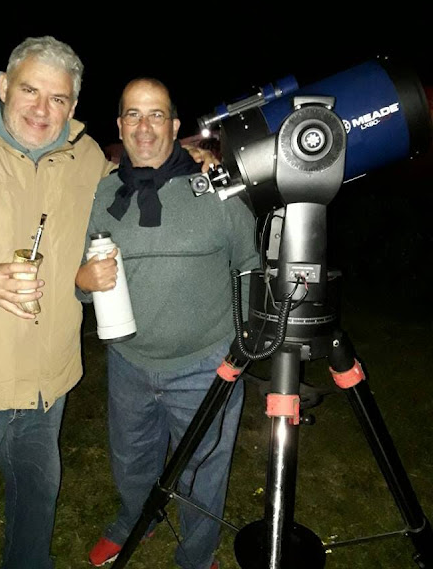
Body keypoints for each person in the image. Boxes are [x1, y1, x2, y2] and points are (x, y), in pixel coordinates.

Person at [0, 37, 213, 569]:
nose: (42, 109)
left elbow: (138, 173)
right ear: (3, 86)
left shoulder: (85, 156)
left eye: (58, 99)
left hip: (49, 385)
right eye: (30, 90)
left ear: (73, 105)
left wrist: (188, 156)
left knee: (36, 508)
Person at [76, 77, 259, 569]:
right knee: (131, 458)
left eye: (156, 114)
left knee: (204, 469)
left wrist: (243, 344)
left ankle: (196, 556)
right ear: (120, 125)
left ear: (175, 127)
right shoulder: (104, 192)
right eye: (133, 115)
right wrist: (82, 283)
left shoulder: (214, 186)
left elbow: (249, 263)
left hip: (206, 365)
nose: (144, 126)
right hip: (128, 361)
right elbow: (85, 274)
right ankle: (137, 518)